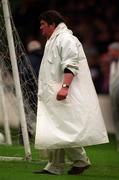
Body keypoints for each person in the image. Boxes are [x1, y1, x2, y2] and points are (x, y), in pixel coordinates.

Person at [34, 10, 109, 175]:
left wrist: (65, 87)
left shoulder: (66, 39)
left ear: (52, 24)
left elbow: (71, 64)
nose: (41, 28)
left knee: (62, 128)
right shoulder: (54, 40)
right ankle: (57, 165)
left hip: (63, 92)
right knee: (56, 128)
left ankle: (77, 161)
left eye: (43, 24)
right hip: (54, 92)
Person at [18, 40, 43, 144]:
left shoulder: (26, 60)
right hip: (42, 92)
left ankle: (24, 139)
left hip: (28, 93)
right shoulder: (43, 59)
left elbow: (22, 76)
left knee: (26, 116)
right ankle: (44, 138)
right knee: (42, 116)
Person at [108, 42, 119, 151]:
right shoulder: (112, 64)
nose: (109, 53)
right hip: (114, 97)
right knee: (116, 119)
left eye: (110, 51)